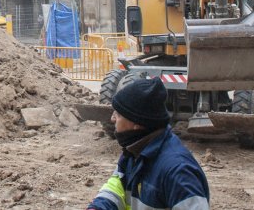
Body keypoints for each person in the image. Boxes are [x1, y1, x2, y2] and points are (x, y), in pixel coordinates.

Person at [87, 77, 210, 210]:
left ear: (136, 123)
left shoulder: (178, 171)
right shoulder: (133, 151)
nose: (112, 118)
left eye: (118, 114)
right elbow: (117, 187)